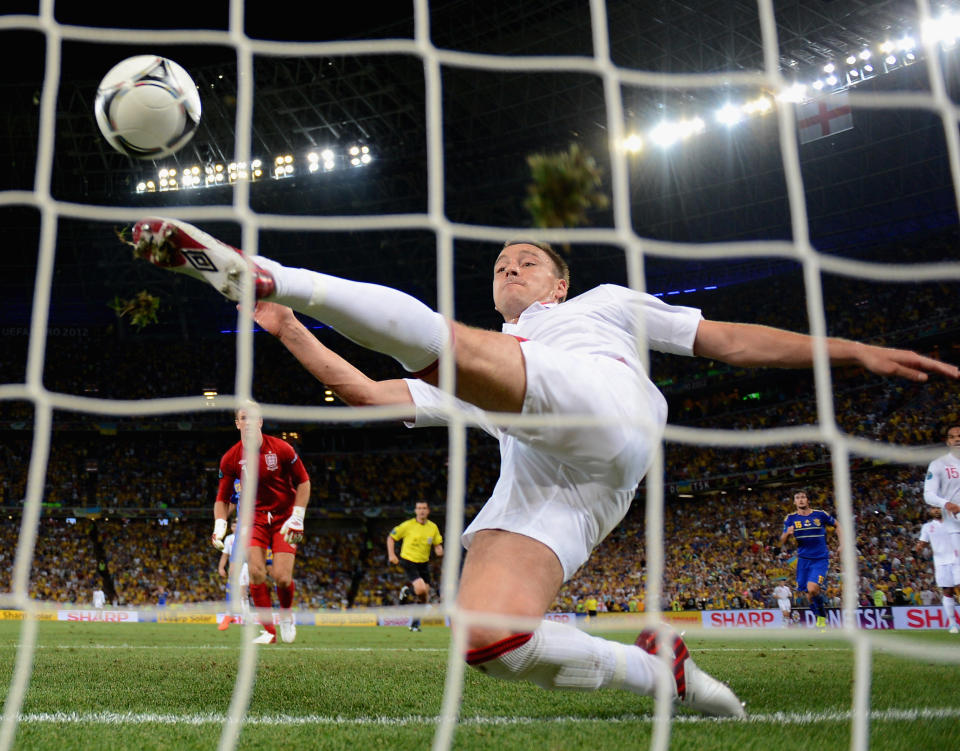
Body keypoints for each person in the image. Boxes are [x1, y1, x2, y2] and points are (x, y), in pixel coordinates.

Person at [129, 216, 959, 718]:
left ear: (559, 282)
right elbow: (367, 392)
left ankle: (278, 270)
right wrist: (285, 331)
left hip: (608, 413)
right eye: (500, 266)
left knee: (442, 346)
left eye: (526, 261)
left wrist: (850, 350)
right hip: (558, 485)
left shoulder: (599, 307)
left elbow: (728, 339)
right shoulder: (496, 368)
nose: (509, 269)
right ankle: (659, 670)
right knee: (486, 637)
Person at [213, 406, 311, 644]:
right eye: (243, 418)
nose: (248, 422)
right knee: (256, 573)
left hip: (283, 517)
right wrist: (219, 525)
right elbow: (222, 499)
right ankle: (269, 631)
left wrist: (297, 516)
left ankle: (286, 616)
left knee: (281, 577)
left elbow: (304, 482)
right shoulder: (231, 458)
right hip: (253, 519)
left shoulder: (281, 448)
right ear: (237, 424)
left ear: (261, 421)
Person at [779, 490, 842, 630]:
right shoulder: (790, 518)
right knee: (808, 595)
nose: (800, 500)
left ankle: (822, 616)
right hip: (803, 560)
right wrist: (787, 534)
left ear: (808, 500)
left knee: (812, 588)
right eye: (797, 498)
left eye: (803, 497)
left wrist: (842, 544)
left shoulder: (820, 514)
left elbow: (838, 525)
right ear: (794, 502)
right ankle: (819, 618)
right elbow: (782, 540)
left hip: (820, 559)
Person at [922, 423, 960, 627]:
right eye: (952, 437)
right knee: (948, 588)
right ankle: (953, 624)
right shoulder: (938, 465)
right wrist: (947, 503)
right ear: (948, 442)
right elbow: (928, 494)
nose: (957, 439)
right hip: (952, 529)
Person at [387, 500, 444, 632]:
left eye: (424, 508)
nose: (422, 510)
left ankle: (414, 624)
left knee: (424, 597)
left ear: (428, 510)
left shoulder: (433, 527)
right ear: (415, 511)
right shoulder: (408, 525)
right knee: (420, 589)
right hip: (409, 560)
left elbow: (437, 543)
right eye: (419, 508)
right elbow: (391, 537)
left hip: (423, 563)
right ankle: (407, 591)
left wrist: (438, 549)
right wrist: (391, 555)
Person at [915, 506, 960, 634]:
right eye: (933, 509)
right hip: (941, 563)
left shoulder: (954, 522)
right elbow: (923, 541)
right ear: (930, 511)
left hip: (957, 560)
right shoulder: (927, 527)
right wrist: (919, 547)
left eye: (938, 508)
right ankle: (953, 625)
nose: (936, 511)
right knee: (947, 591)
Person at [217, 519, 251, 631]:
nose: (235, 527)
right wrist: (221, 567)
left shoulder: (246, 537)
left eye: (238, 525)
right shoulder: (229, 539)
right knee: (230, 590)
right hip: (233, 566)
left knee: (243, 592)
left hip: (245, 565)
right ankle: (230, 615)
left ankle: (246, 618)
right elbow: (225, 555)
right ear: (231, 528)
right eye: (233, 526)